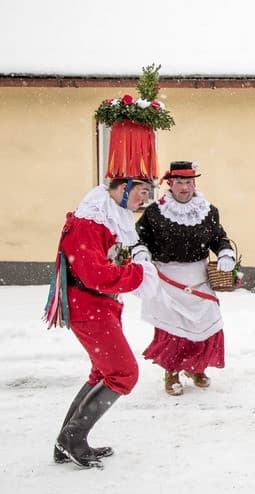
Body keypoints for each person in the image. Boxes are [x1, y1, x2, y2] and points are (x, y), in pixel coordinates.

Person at [44, 111, 164, 468]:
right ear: (121, 188)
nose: (145, 199)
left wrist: (138, 268)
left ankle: (66, 442)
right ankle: (72, 439)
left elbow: (111, 263)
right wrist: (139, 275)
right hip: (89, 305)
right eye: (142, 191)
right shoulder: (89, 220)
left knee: (103, 373)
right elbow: (96, 273)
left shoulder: (108, 216)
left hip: (100, 306)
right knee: (124, 372)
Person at [135, 161, 236, 396]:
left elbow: (219, 237)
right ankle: (171, 372)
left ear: (194, 184)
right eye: (179, 182)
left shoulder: (208, 211)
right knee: (172, 330)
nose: (184, 188)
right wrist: (141, 252)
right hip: (167, 278)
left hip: (198, 277)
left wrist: (225, 252)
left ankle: (195, 368)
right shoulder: (155, 212)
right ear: (170, 184)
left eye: (188, 182)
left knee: (206, 325)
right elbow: (138, 238)